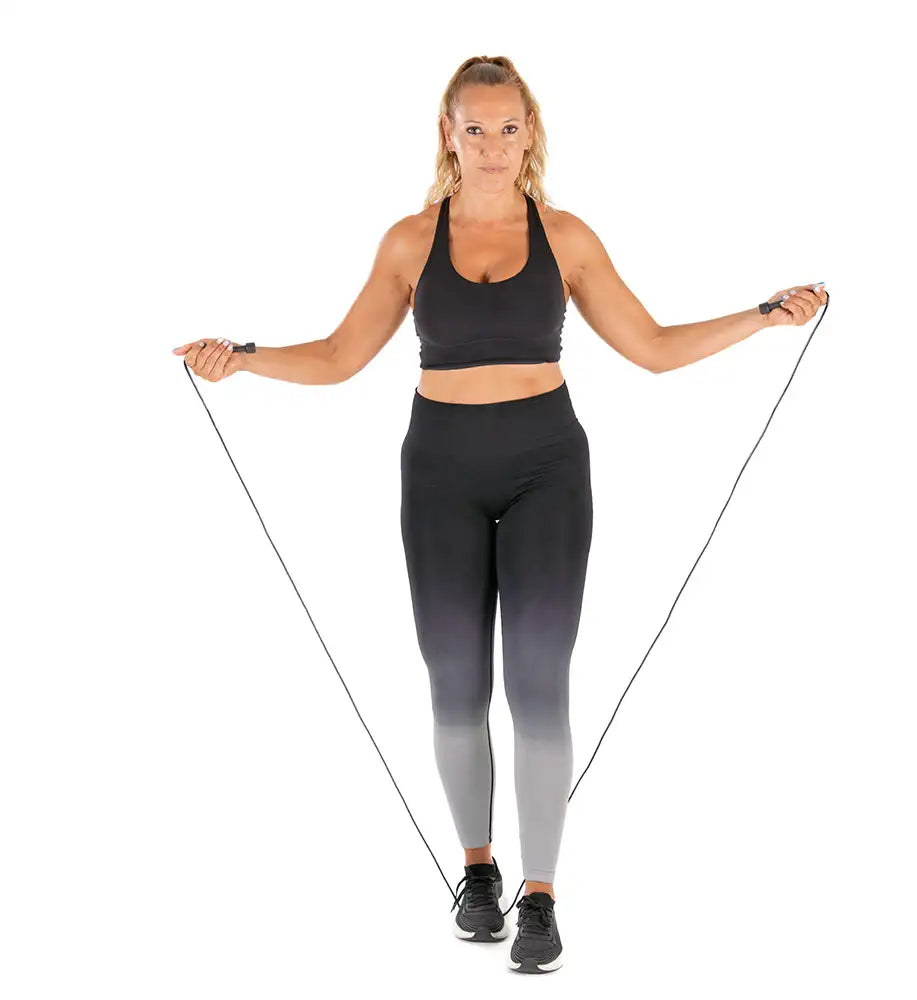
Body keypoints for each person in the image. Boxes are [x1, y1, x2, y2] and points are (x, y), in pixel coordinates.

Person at [172, 55, 826, 975]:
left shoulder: (567, 237)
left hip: (545, 468)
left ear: (531, 133)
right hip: (439, 471)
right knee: (454, 683)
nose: (491, 145)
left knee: (539, 679)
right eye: (474, 128)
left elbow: (650, 347)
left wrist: (762, 316)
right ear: (449, 134)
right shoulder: (409, 242)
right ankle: (478, 872)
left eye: (507, 128)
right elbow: (338, 356)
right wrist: (242, 358)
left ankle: (542, 896)